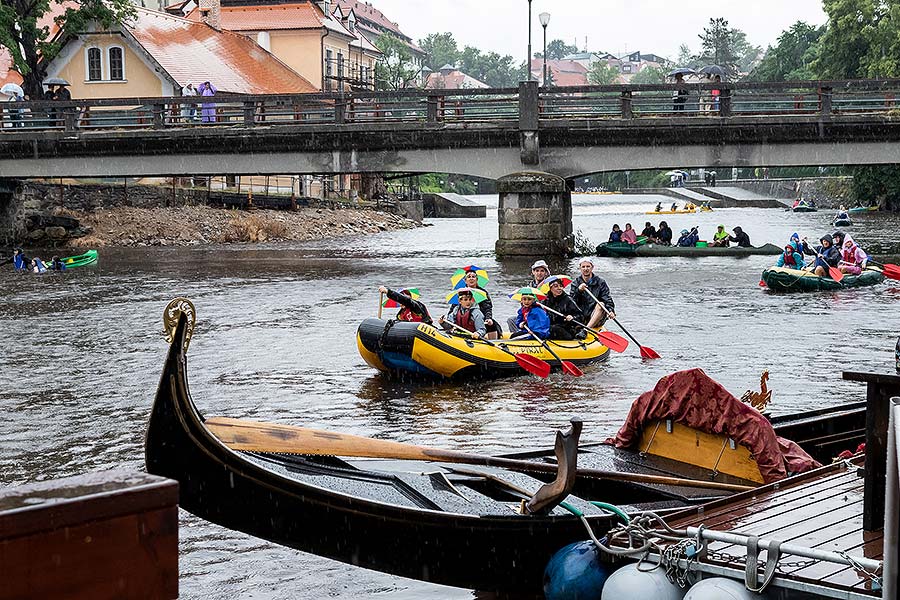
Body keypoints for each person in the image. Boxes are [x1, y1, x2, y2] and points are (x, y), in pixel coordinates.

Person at [571, 259, 615, 329]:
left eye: (588, 266)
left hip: (596, 316)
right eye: (583, 267)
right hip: (581, 317)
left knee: (601, 304)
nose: (586, 269)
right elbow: (572, 302)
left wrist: (611, 311)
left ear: (592, 267)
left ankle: (586, 330)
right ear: (580, 268)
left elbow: (607, 299)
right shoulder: (575, 283)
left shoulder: (600, 282)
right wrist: (578, 291)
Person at [460, 268, 501, 339]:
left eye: (473, 277)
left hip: (479, 317)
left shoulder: (482, 293)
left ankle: (494, 342)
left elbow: (487, 307)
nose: (471, 279)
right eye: (469, 277)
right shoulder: (461, 292)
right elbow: (454, 307)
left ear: (477, 279)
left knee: (492, 324)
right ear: (465, 281)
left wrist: (488, 318)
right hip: (465, 317)